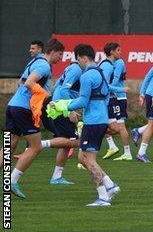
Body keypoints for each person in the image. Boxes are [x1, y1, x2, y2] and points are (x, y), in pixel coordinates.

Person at [51, 44, 121, 206]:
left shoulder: (86, 76)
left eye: (78, 60)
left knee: (89, 160)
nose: (78, 63)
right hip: (99, 119)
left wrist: (62, 106)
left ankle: (103, 197)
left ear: (83, 57)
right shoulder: (101, 73)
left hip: (93, 122)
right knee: (82, 158)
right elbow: (101, 97)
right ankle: (110, 185)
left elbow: (83, 100)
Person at [5, 38, 65, 199]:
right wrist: (42, 95)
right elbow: (29, 83)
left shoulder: (34, 62)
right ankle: (12, 181)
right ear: (52, 52)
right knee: (36, 147)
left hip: (13, 106)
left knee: (8, 148)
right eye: (60, 54)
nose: (61, 58)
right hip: (23, 110)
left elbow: (21, 82)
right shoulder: (44, 65)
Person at [43, 58, 83, 185]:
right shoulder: (76, 69)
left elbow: (57, 86)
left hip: (60, 106)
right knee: (75, 142)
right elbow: (65, 89)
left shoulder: (71, 68)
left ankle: (56, 177)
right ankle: (39, 144)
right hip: (63, 108)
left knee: (67, 143)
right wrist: (70, 109)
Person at [99, 42, 132, 161]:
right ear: (112, 51)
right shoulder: (109, 65)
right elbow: (109, 83)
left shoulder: (116, 63)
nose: (121, 52)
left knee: (118, 126)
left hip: (117, 97)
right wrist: (118, 89)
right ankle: (113, 146)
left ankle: (126, 152)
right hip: (114, 96)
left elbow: (110, 83)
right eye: (118, 50)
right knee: (104, 123)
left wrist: (118, 90)